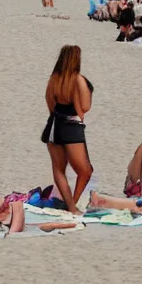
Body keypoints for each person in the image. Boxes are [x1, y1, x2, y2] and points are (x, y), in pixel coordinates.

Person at [41, 45, 93, 214]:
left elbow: (50, 103)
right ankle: (73, 206)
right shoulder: (77, 79)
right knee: (85, 171)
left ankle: (71, 206)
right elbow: (85, 107)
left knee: (58, 170)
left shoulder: (54, 79)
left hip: (54, 126)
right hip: (71, 128)